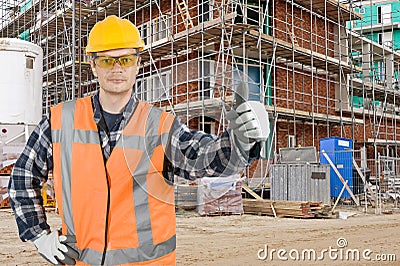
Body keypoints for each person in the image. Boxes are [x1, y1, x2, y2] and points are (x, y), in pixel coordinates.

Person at [8, 15, 269, 265]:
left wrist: (240, 142)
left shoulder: (160, 127)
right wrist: (38, 234)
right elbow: (22, 176)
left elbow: (206, 160)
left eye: (126, 59)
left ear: (137, 63)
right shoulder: (59, 122)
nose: (117, 68)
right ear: (93, 65)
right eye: (108, 61)